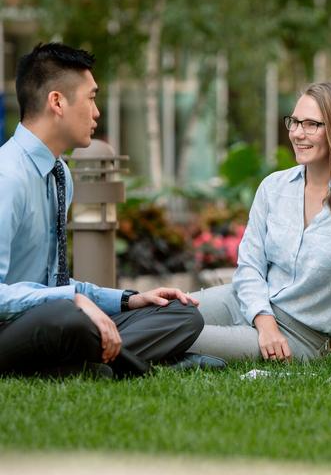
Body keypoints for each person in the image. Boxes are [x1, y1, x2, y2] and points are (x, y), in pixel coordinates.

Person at [0, 42, 210, 379]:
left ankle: (85, 364)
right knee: (67, 318)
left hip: (57, 323)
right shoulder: (7, 177)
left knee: (181, 314)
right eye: (91, 97)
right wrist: (72, 302)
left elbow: (57, 283)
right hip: (14, 329)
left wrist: (131, 300)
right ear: (57, 102)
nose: (97, 112)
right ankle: (135, 364)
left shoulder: (59, 173)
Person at [187, 81, 331, 363]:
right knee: (161, 314)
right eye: (294, 122)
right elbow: (249, 265)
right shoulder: (274, 187)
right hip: (242, 302)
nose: (297, 133)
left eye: (311, 124)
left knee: (178, 335)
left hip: (296, 336)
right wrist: (264, 320)